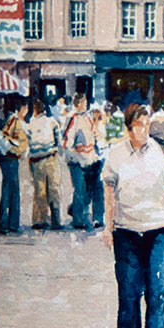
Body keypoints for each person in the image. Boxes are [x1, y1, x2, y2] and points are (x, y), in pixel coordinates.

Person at [101, 103, 164, 328]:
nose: (144, 129)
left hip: (159, 231)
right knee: (128, 292)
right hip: (127, 232)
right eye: (139, 124)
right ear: (129, 128)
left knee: (158, 292)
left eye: (147, 124)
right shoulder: (116, 154)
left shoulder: (157, 151)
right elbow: (109, 192)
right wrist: (108, 225)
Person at [63, 93, 103, 229]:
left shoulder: (88, 117)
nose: (85, 105)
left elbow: (93, 136)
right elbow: (67, 141)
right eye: (84, 102)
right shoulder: (73, 118)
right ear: (78, 103)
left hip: (91, 158)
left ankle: (97, 218)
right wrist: (73, 156)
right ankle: (78, 219)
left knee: (95, 188)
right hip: (77, 160)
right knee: (80, 189)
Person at [26, 100, 63, 230]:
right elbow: (59, 141)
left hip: (36, 160)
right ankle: (56, 220)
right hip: (51, 159)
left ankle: (39, 220)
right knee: (53, 189)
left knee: (40, 191)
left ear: (35, 111)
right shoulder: (52, 122)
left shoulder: (30, 124)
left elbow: (28, 143)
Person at [0, 96, 30, 235]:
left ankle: (10, 223)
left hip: (11, 159)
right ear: (21, 108)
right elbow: (6, 137)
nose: (26, 110)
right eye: (25, 107)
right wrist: (17, 148)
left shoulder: (15, 120)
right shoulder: (14, 120)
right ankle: (8, 224)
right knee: (11, 191)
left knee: (11, 190)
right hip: (9, 158)